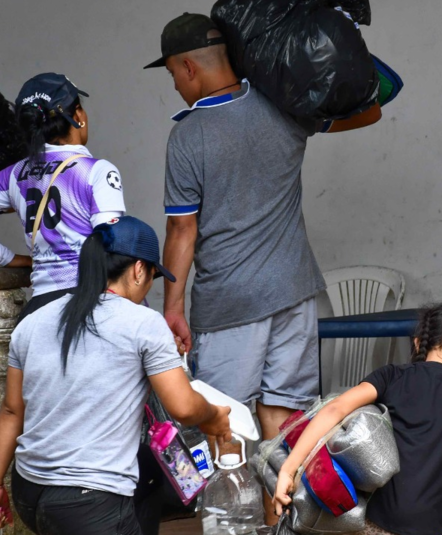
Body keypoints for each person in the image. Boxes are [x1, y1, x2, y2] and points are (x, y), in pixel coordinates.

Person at [147, 12, 382, 443]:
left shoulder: (188, 136)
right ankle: (285, 493)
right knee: (285, 419)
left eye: (172, 74)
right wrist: (352, 65)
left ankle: (232, 494)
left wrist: (172, 308)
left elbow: (182, 229)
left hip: (230, 302)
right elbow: (371, 113)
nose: (176, 85)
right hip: (294, 290)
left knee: (223, 422)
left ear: (188, 67)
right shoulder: (284, 107)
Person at [0, 216, 232, 535]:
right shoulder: (143, 323)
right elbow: (183, 408)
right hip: (89, 501)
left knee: (150, 467)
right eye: (152, 276)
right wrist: (213, 416)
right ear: (139, 270)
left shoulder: (33, 322)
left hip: (29, 491)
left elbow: (11, 411)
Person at [273, 304, 442, 535]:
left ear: (418, 342)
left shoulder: (391, 376)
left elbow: (334, 409)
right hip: (425, 525)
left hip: (371, 520)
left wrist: (288, 470)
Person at [0, 72, 127, 319]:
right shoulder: (97, 170)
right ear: (78, 116)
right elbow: (111, 243)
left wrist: (7, 258)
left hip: (42, 308)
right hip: (92, 302)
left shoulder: (14, 174)